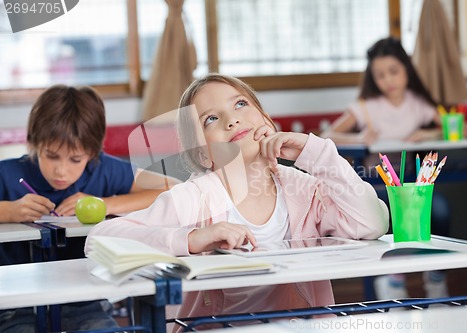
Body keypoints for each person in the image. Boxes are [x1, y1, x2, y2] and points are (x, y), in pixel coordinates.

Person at [85, 73, 389, 331]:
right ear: (202, 153)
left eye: (240, 104)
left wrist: (318, 154)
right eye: (211, 119)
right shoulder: (193, 197)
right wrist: (191, 238)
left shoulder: (305, 189)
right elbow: (99, 239)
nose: (232, 120)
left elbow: (371, 223)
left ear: (266, 121)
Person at [0, 85, 177, 332]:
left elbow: (170, 189)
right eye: (51, 156)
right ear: (33, 143)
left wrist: (106, 203)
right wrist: (7, 211)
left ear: (93, 153)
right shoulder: (8, 173)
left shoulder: (102, 169)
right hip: (17, 302)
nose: (61, 170)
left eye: (75, 160)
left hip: (85, 299)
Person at [321, 37, 467, 301]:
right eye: (380, 75)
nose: (388, 80)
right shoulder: (366, 108)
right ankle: (394, 278)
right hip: (376, 184)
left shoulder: (418, 104)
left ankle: (435, 276)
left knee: (438, 211)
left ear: (407, 70)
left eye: (394, 71)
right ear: (373, 78)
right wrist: (359, 139)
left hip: (413, 184)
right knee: (396, 217)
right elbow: (326, 134)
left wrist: (427, 133)